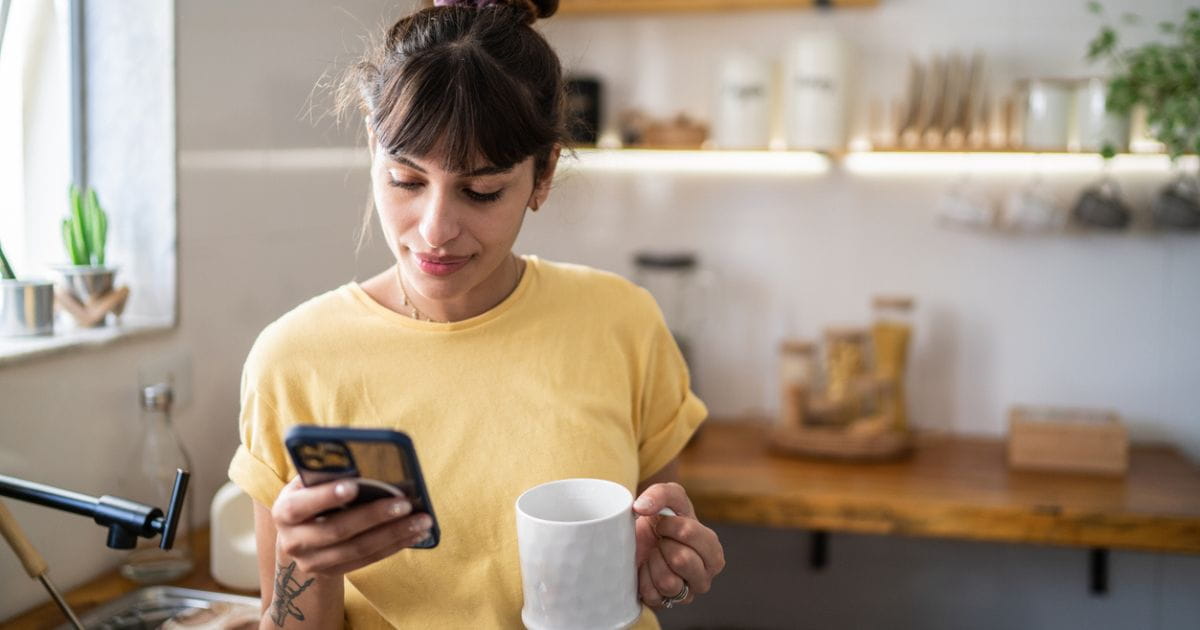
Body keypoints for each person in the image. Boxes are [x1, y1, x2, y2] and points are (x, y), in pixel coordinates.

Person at [227, 0, 725, 627]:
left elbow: (652, 552)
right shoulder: (293, 359)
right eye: (406, 180)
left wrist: (670, 569)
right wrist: (310, 568)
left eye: (481, 191)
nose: (434, 230)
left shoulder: (622, 321)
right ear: (371, 145)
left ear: (542, 175)